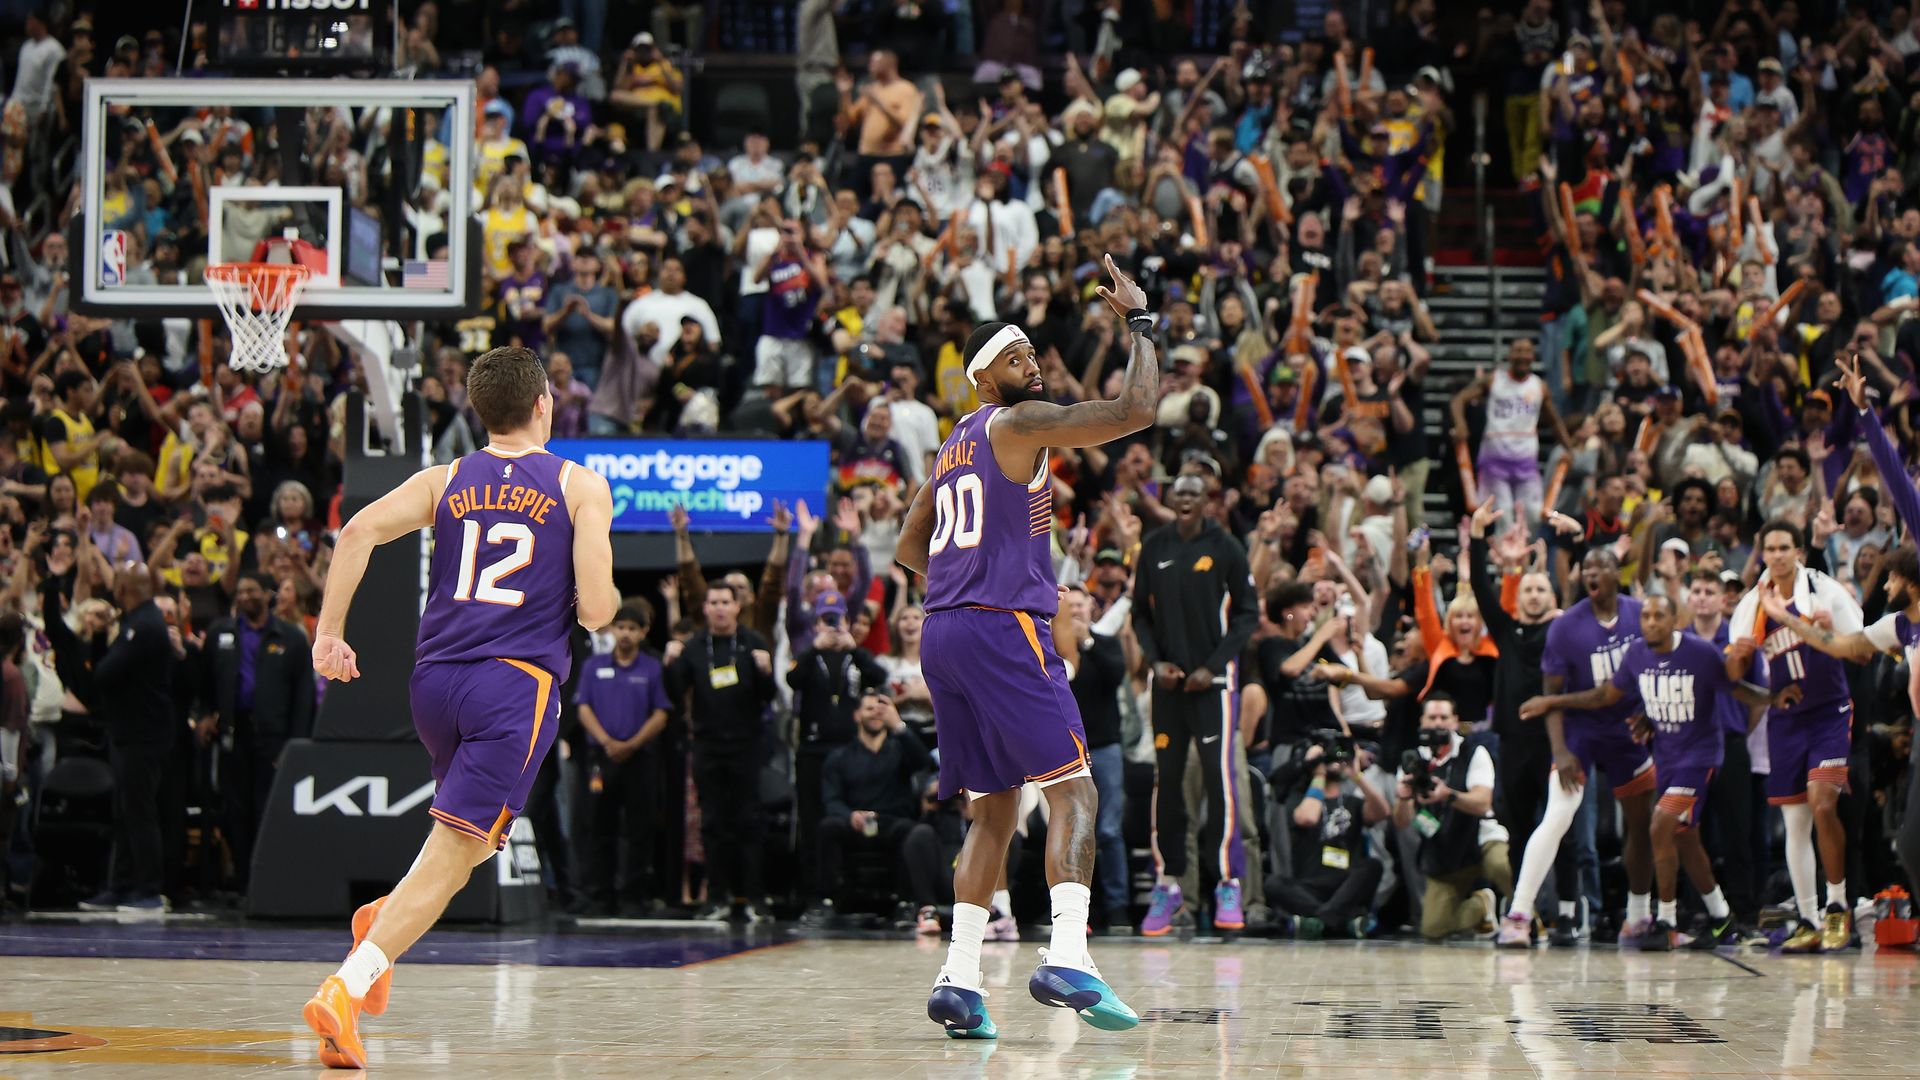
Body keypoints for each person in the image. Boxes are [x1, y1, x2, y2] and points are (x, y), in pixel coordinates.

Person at [300, 346, 618, 1069]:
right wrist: (596, 594)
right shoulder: (579, 485)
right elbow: (598, 611)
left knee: (469, 843)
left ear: (481, 411)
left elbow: (356, 533)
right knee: (454, 855)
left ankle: (381, 921)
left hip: (434, 684)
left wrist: (329, 635)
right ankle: (347, 988)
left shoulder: (444, 479)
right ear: (545, 404)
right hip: (514, 687)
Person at [900, 254, 1155, 1038]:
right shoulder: (1016, 424)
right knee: (1074, 790)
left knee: (993, 811)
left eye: (1036, 358)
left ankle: (958, 979)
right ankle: (1069, 955)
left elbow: (912, 549)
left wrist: (980, 560)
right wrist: (1139, 323)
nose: (1034, 369)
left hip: (943, 632)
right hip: (999, 624)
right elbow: (1134, 411)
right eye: (1016, 359)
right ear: (984, 378)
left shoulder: (952, 449)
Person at [1521, 596, 1770, 949]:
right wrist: (1553, 701)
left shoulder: (1700, 652)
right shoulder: (1636, 654)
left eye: (1658, 616)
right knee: (1686, 836)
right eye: (1646, 616)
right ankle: (1721, 918)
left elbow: (1737, 690)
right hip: (1666, 757)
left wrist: (1776, 698)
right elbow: (1606, 695)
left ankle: (1665, 921)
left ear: (1675, 620)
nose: (1650, 622)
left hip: (1699, 757)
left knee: (1660, 826)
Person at [1497, 548, 1659, 948]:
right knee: (1558, 814)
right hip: (1580, 731)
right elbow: (1551, 697)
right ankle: (1518, 914)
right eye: (1585, 567)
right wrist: (1561, 751)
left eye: (1598, 566)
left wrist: (1652, 712)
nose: (1590, 573)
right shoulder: (1565, 627)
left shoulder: (1641, 615)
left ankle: (1638, 916)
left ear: (1616, 573)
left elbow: (1662, 667)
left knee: (1641, 824)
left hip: (1629, 730)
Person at [1130, 472, 1258, 934]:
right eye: (1178, 493)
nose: (1185, 500)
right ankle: (1167, 884)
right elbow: (1138, 614)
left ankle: (1227, 882)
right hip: (1167, 689)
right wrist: (1155, 661)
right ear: (1169, 499)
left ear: (1208, 502)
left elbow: (1249, 615)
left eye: (1194, 494)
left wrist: (1214, 666)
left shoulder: (1226, 548)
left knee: (1218, 781)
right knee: (1166, 786)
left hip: (1213, 689)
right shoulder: (1155, 546)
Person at [1731, 517, 1864, 954]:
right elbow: (1731, 678)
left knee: (1823, 803)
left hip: (1829, 711)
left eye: (1785, 547)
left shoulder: (1824, 592)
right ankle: (1807, 919)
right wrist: (1763, 689)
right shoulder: (1751, 605)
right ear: (1762, 553)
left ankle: (1838, 906)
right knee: (1795, 822)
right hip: (1788, 720)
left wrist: (1819, 629)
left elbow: (1860, 649)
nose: (1777, 555)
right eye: (1769, 548)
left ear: (1799, 551)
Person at [663, 585, 779, 922]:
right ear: (705, 609)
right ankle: (717, 898)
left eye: (725, 603)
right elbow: (674, 694)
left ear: (737, 607)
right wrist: (670, 663)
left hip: (746, 744)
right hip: (707, 744)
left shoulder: (753, 642)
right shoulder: (695, 646)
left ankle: (754, 898)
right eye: (713, 603)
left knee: (748, 821)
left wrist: (766, 672)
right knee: (712, 822)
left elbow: (767, 697)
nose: (719, 609)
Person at [200, 571, 316, 887]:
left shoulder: (290, 637)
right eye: (240, 591)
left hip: (273, 738)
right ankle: (241, 878)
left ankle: (268, 881)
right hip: (233, 733)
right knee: (235, 809)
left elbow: (304, 697)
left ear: (268, 594)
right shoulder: (220, 633)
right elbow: (205, 682)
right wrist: (206, 715)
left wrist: (295, 745)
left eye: (251, 590)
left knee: (267, 808)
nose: (244, 597)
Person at [573, 603, 670, 917]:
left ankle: (634, 897)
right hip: (602, 757)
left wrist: (632, 743)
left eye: (632, 628)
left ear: (643, 632)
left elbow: (661, 713)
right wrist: (607, 741)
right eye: (620, 627)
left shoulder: (652, 668)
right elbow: (583, 707)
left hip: (639, 757)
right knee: (600, 826)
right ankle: (599, 895)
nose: (625, 634)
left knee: (640, 829)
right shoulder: (593, 666)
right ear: (612, 630)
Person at [815, 687, 939, 929]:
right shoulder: (839, 757)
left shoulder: (901, 747)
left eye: (882, 709)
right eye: (869, 708)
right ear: (857, 715)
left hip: (891, 823)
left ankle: (907, 904)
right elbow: (831, 799)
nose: (876, 714)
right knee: (827, 827)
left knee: (913, 832)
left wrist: (899, 726)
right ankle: (826, 901)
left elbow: (924, 763)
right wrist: (849, 815)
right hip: (854, 823)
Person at [1391, 693, 1511, 939]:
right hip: (1445, 847)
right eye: (1432, 717)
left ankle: (1527, 918)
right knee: (1433, 929)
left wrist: (1448, 795)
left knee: (1503, 865)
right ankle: (1482, 906)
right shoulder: (1412, 760)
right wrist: (1403, 798)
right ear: (1422, 722)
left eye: (1444, 717)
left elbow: (1482, 803)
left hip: (1481, 838)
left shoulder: (1473, 752)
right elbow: (1402, 822)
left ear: (1455, 721)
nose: (1438, 723)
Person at [1266, 740, 1391, 938]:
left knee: (1373, 866)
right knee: (1274, 883)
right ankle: (1341, 920)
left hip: (1344, 884)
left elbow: (1383, 812)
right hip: (1310, 886)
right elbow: (1307, 817)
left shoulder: (1352, 802)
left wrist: (1357, 776)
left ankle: (1321, 920)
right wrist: (1318, 773)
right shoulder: (1299, 798)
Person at [1449, 338, 1572, 529]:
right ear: (1509, 355)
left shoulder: (1539, 386)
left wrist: (1568, 447)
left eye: (1526, 351)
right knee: (1503, 518)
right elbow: (1459, 399)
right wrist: (1460, 424)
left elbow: (1554, 420)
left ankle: (1528, 557)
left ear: (1533, 356)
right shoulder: (1494, 380)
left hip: (1526, 461)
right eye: (1518, 351)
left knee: (1532, 515)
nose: (1522, 355)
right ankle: (1503, 558)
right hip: (1495, 461)